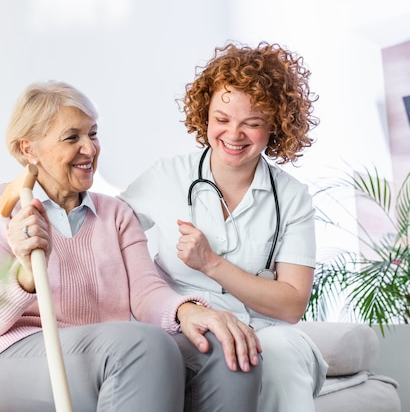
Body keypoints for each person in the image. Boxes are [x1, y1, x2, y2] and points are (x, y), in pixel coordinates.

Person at [0, 80, 262, 412]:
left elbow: (147, 293)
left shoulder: (115, 214)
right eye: (72, 137)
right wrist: (25, 273)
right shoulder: (0, 207)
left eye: (93, 134)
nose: (90, 149)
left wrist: (190, 310)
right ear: (30, 150)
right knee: (144, 345)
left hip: (102, 352)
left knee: (230, 349)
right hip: (3, 359)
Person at [119, 41, 329, 412]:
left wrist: (211, 263)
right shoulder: (166, 177)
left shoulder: (292, 197)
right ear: (205, 115)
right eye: (222, 119)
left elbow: (292, 304)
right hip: (186, 327)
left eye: (253, 123)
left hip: (269, 332)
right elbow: (108, 233)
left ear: (275, 125)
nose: (234, 135)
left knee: (278, 354)